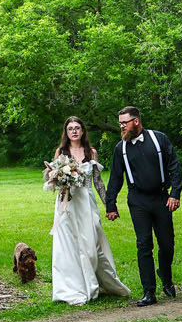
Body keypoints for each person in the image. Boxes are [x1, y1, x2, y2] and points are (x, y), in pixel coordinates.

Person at [105, 105, 182, 306]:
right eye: (120, 123)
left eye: (124, 123)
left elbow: (174, 166)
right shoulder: (120, 149)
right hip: (137, 200)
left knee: (167, 244)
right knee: (143, 244)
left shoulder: (159, 139)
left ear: (136, 121)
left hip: (161, 198)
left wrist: (175, 193)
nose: (121, 126)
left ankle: (165, 276)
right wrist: (110, 205)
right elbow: (115, 178)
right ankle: (149, 292)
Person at [47, 115, 131, 306]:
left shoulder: (90, 152)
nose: (74, 131)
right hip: (67, 203)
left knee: (92, 244)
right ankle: (71, 287)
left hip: (86, 201)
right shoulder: (60, 152)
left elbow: (98, 182)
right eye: (70, 128)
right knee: (68, 246)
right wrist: (61, 182)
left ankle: (96, 282)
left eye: (77, 128)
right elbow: (53, 179)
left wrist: (109, 205)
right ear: (66, 132)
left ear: (83, 131)